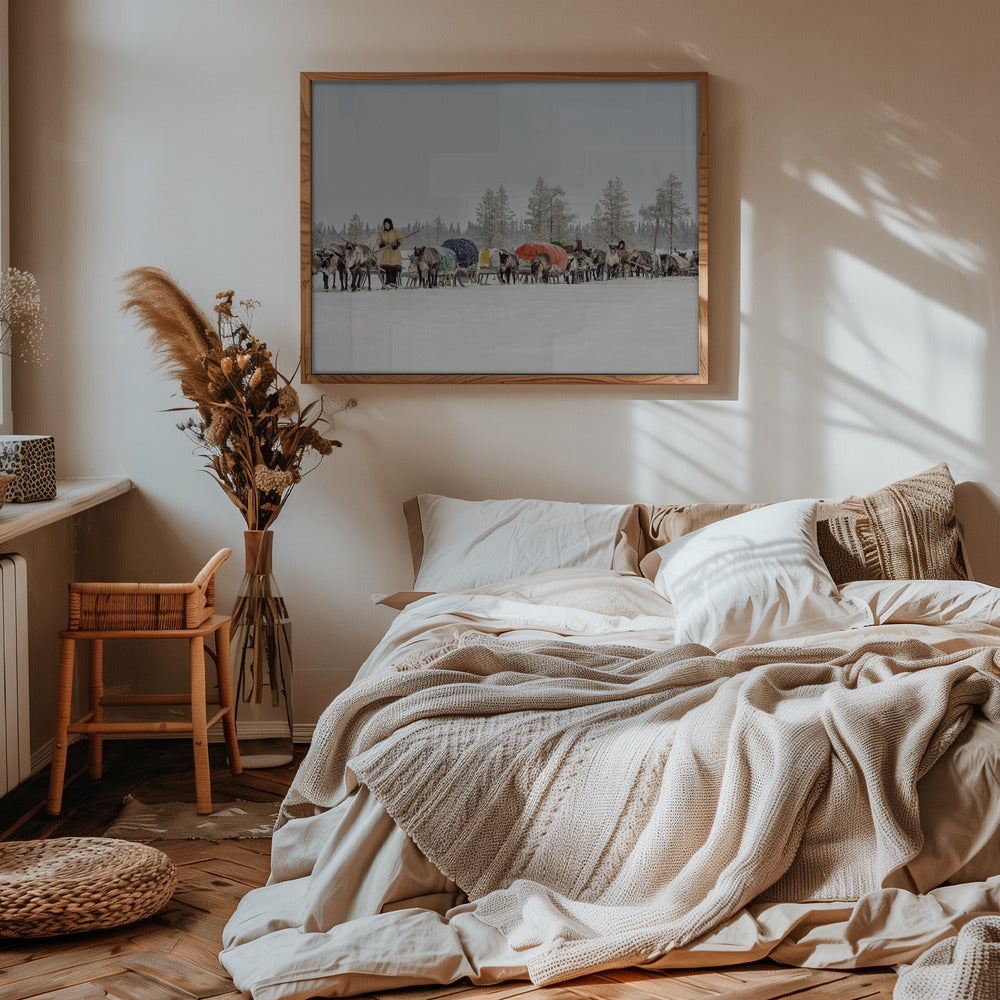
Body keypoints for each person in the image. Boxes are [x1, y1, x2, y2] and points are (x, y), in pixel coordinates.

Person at [374, 217, 404, 288]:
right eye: (385, 224)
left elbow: (401, 238)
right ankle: (387, 283)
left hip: (394, 254)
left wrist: (397, 244)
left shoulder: (396, 232)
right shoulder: (382, 233)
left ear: (390, 224)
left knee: (394, 269)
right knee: (387, 269)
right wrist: (381, 244)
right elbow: (378, 240)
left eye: (387, 224)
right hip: (386, 255)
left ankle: (393, 283)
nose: (386, 226)